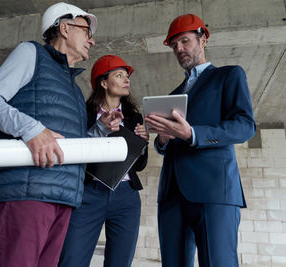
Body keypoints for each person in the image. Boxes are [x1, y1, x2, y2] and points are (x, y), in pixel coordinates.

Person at [0, 3, 98, 266]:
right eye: (86, 31)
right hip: (27, 193)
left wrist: (103, 129)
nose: (92, 40)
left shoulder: (75, 90)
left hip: (64, 197)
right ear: (64, 28)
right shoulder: (31, 54)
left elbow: (65, 139)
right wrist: (31, 129)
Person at [144, 14, 256, 267]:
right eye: (174, 46)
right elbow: (165, 146)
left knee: (218, 262)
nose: (179, 49)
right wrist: (162, 140)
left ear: (203, 39)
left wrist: (192, 134)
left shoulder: (229, 76)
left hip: (214, 190)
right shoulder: (172, 95)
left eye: (184, 41)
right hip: (172, 193)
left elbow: (245, 126)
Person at [58, 55, 149, 267]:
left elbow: (140, 165)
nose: (127, 80)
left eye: (127, 76)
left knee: (120, 262)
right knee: (72, 258)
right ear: (103, 82)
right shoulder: (83, 113)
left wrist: (142, 144)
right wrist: (101, 128)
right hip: (88, 193)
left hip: (127, 197)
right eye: (119, 75)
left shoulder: (134, 116)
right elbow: (74, 149)